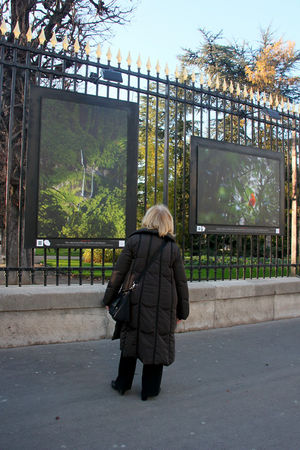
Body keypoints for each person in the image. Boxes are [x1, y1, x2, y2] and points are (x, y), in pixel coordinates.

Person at [103, 204, 189, 401]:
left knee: (130, 343)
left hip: (134, 302)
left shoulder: (134, 242)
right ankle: (150, 389)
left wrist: (109, 299)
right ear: (168, 223)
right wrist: (182, 312)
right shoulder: (172, 249)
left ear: (148, 219)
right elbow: (180, 283)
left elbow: (119, 272)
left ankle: (122, 384)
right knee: (156, 344)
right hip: (163, 306)